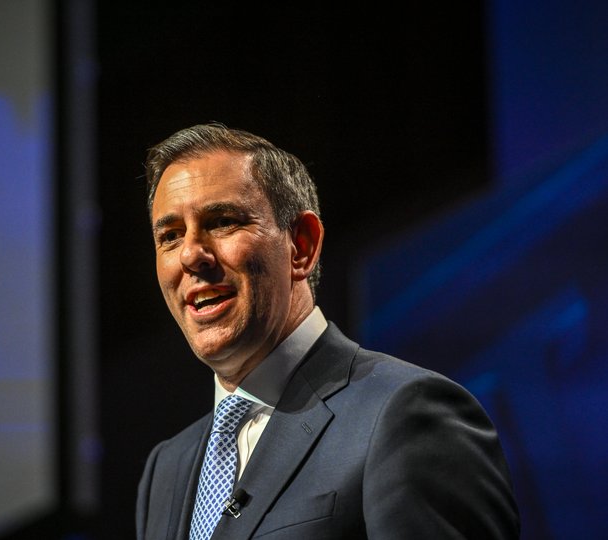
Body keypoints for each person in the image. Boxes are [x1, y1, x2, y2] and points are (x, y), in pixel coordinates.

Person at [135, 123, 519, 539]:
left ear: (301, 245)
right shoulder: (167, 468)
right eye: (170, 236)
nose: (191, 253)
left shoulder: (406, 415)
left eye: (224, 221)